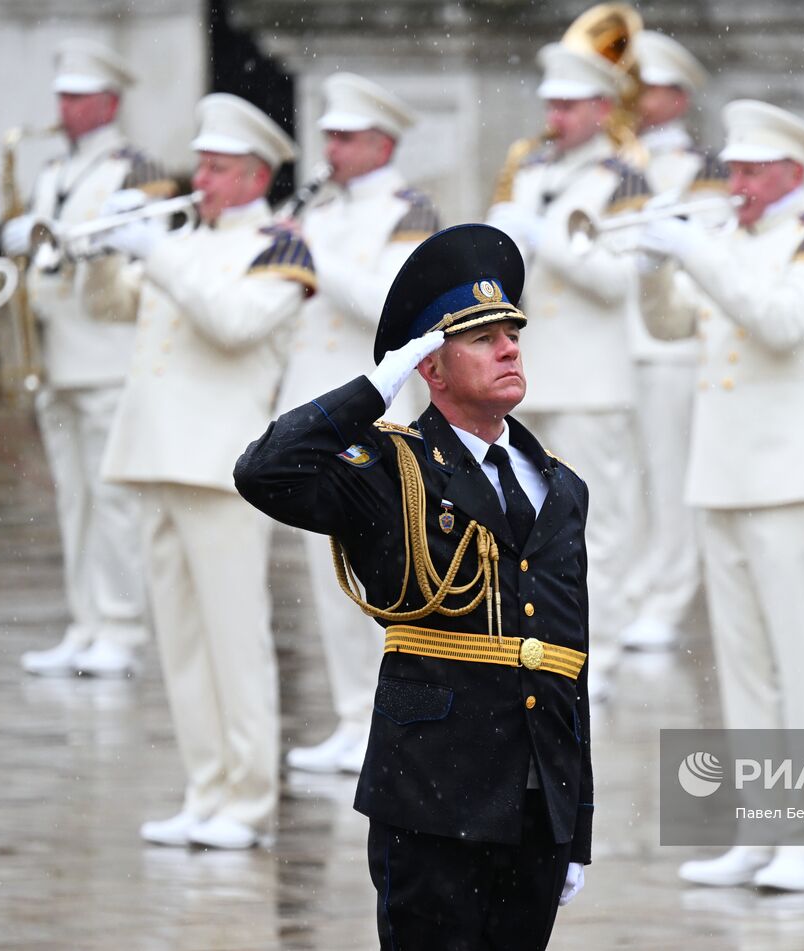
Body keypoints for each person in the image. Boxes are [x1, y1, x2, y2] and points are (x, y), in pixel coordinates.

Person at [235, 224, 591, 949]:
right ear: (430, 365)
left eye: (512, 333)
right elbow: (263, 470)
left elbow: (567, 660)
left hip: (534, 800)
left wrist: (576, 818)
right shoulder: (387, 468)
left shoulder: (561, 484)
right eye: (483, 338)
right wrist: (374, 388)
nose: (510, 348)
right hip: (433, 792)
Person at [636, 99, 804, 892]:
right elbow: (668, 327)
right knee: (744, 664)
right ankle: (760, 827)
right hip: (722, 467)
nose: (740, 182)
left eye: (756, 170)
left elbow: (782, 322)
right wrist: (654, 264)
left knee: (803, 658)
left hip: (791, 470)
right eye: (735, 168)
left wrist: (698, 250)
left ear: (793, 172)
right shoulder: (726, 238)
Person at [100, 93, 312, 849]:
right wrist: (101, 242)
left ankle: (249, 801)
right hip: (157, 453)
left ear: (257, 177)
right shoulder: (187, 241)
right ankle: (205, 786)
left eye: (219, 168)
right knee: (182, 642)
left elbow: (232, 324)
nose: (203, 179)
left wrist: (155, 247)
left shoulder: (283, 247)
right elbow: (111, 306)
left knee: (234, 639)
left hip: (224, 465)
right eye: (203, 165)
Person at [276, 72, 440, 775]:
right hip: (312, 407)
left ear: (381, 142)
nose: (330, 150)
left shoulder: (409, 210)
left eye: (344, 138)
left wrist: (307, 248)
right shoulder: (322, 207)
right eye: (328, 137)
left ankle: (392, 719)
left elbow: (390, 306)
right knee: (326, 575)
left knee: (380, 575)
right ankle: (351, 716)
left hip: (371, 415)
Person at [487, 42, 650, 697]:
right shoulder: (531, 169)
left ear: (604, 108)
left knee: (595, 525)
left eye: (570, 103)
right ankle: (539, 645)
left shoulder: (624, 178)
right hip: (528, 375)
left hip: (592, 378)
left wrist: (543, 232)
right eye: (551, 101)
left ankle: (597, 651)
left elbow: (618, 281)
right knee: (523, 524)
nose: (555, 114)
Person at [13, 39, 169, 678]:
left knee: (114, 502)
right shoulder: (53, 171)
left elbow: (143, 263)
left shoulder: (134, 167)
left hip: (107, 356)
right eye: (62, 95)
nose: (65, 107)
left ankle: (123, 629)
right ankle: (85, 622)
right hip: (55, 356)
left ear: (108, 102)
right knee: (72, 498)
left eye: (77, 96)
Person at [617, 29, 726, 653]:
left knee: (669, 478)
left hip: (669, 342)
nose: (635, 99)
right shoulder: (611, 160)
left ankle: (669, 596)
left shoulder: (702, 169)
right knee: (619, 481)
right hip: (613, 340)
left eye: (649, 88)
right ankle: (630, 587)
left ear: (679, 99)